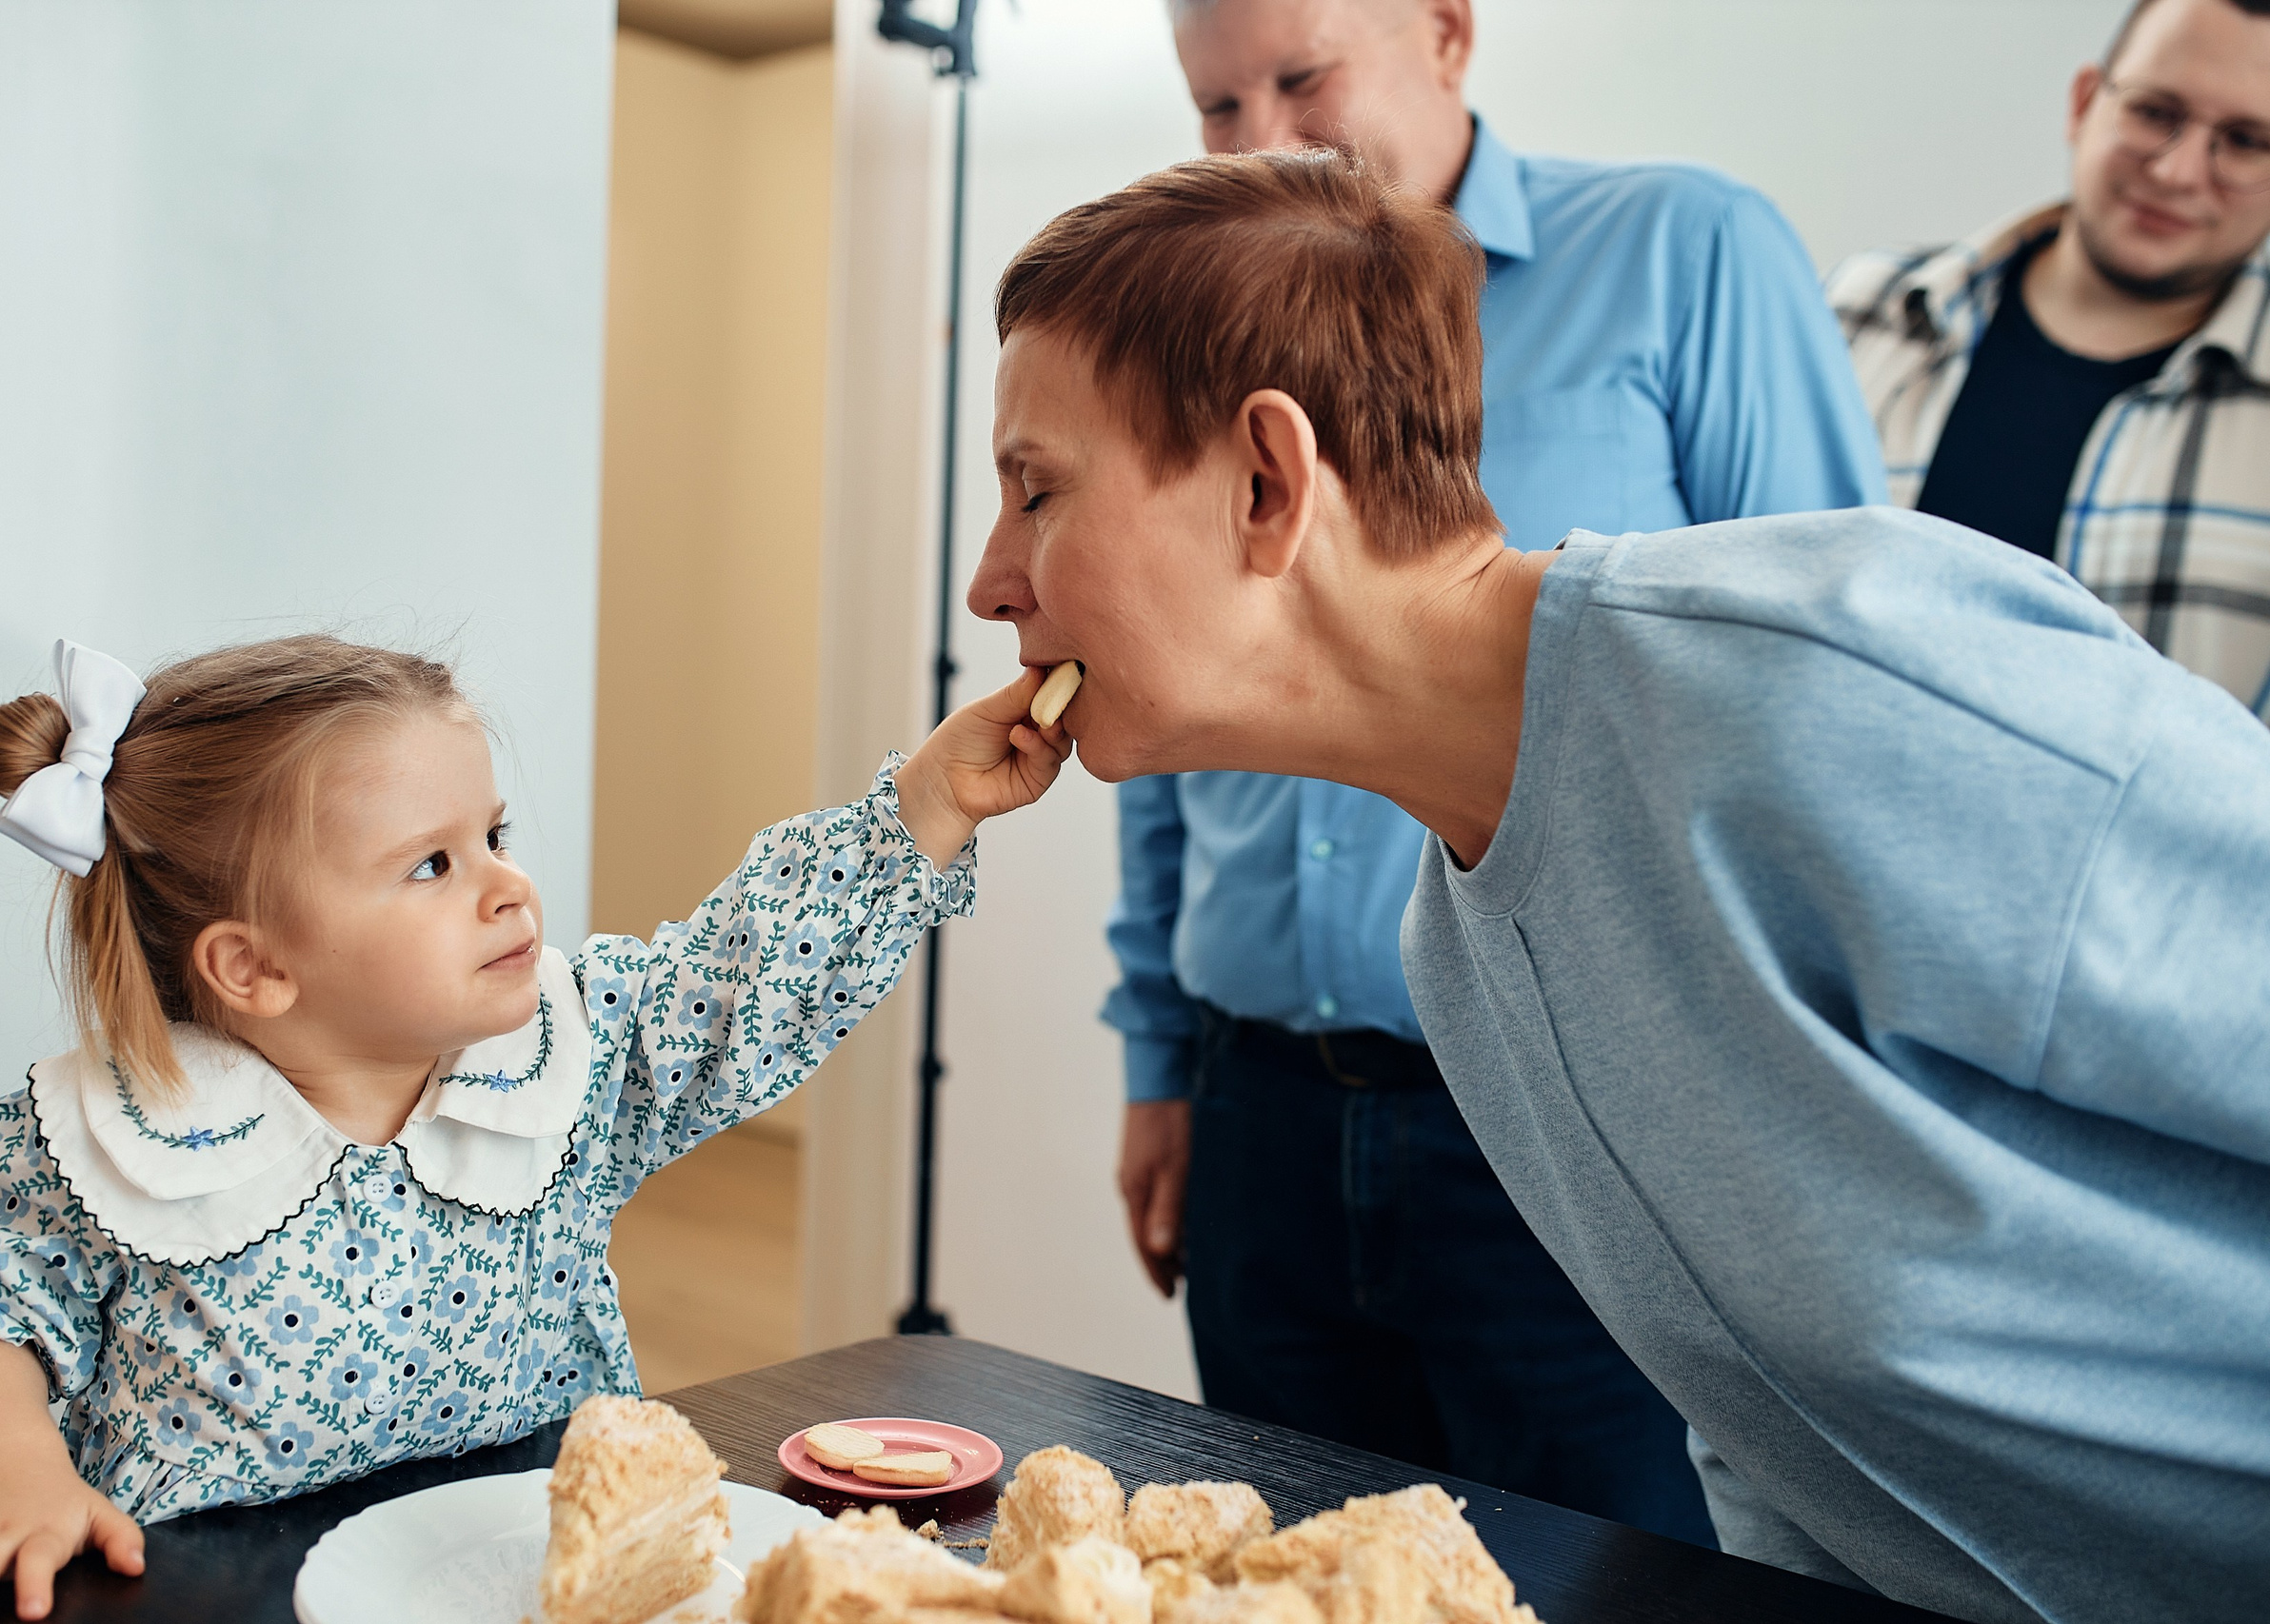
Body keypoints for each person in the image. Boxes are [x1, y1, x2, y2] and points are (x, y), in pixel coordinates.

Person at [971, 148, 2270, 1624]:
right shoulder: (1459, 941)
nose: (992, 581)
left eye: (1036, 492)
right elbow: (1786, 1435)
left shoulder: (1835, 680)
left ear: (1267, 483)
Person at [0, 634, 1069, 1624]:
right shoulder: (105, 1137)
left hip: (530, 1571)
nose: (506, 883)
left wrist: (924, 804)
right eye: (432, 864)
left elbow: (747, 975)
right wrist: (16, 1476)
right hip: (220, 1587)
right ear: (252, 966)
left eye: (494, 835)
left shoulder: (571, 1061)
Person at [1108, 0, 1884, 1541]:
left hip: (1576, 1130)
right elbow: (1167, 698)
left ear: (1449, 33)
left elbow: (1824, 703)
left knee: (1598, 1578)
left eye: (1302, 78)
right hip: (1258, 1116)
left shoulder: (1683, 256)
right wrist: (1159, 1062)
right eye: (1216, 106)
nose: (1263, 144)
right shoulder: (1204, 318)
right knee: (1276, 1584)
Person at [1834, 0, 2270, 717]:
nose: (2176, 171)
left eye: (2247, 141)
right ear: (2084, 103)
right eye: (2154, 111)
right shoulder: (1858, 313)